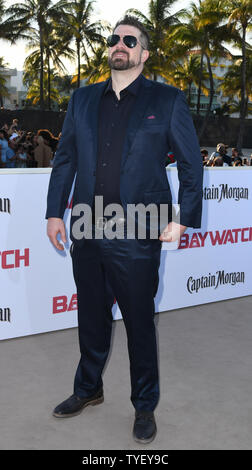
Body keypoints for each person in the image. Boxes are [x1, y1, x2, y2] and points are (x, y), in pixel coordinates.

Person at [46, 15, 203, 444]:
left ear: (143, 52)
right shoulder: (82, 99)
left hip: (139, 228)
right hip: (86, 222)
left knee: (137, 322)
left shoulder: (168, 100)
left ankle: (144, 405)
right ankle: (88, 389)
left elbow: (191, 164)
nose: (120, 44)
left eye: (129, 40)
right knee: (91, 316)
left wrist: (184, 217)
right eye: (114, 38)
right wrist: (54, 212)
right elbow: (65, 160)